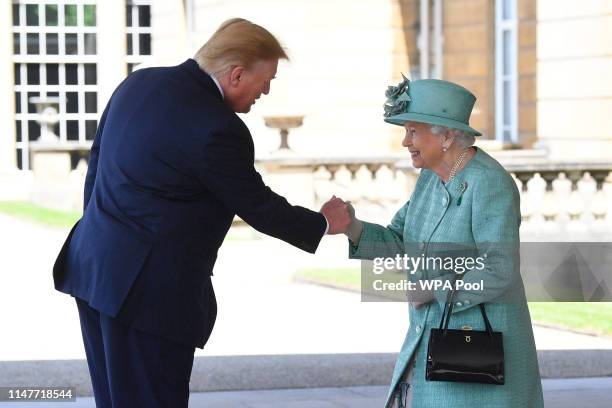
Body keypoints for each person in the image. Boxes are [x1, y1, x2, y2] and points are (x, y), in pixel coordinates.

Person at [52, 18, 350, 407]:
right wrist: (324, 222)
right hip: (148, 296)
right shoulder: (218, 127)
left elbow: (96, 168)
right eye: (267, 80)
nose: (267, 91)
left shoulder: (137, 83)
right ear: (237, 73)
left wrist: (103, 231)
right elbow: (257, 205)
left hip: (93, 268)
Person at [336, 77, 544, 407]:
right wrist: (352, 228)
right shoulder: (429, 179)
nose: (405, 141)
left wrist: (435, 289)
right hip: (434, 345)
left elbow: (499, 268)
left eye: (413, 131)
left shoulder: (490, 184)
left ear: (446, 136)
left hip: (479, 352)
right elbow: (399, 241)